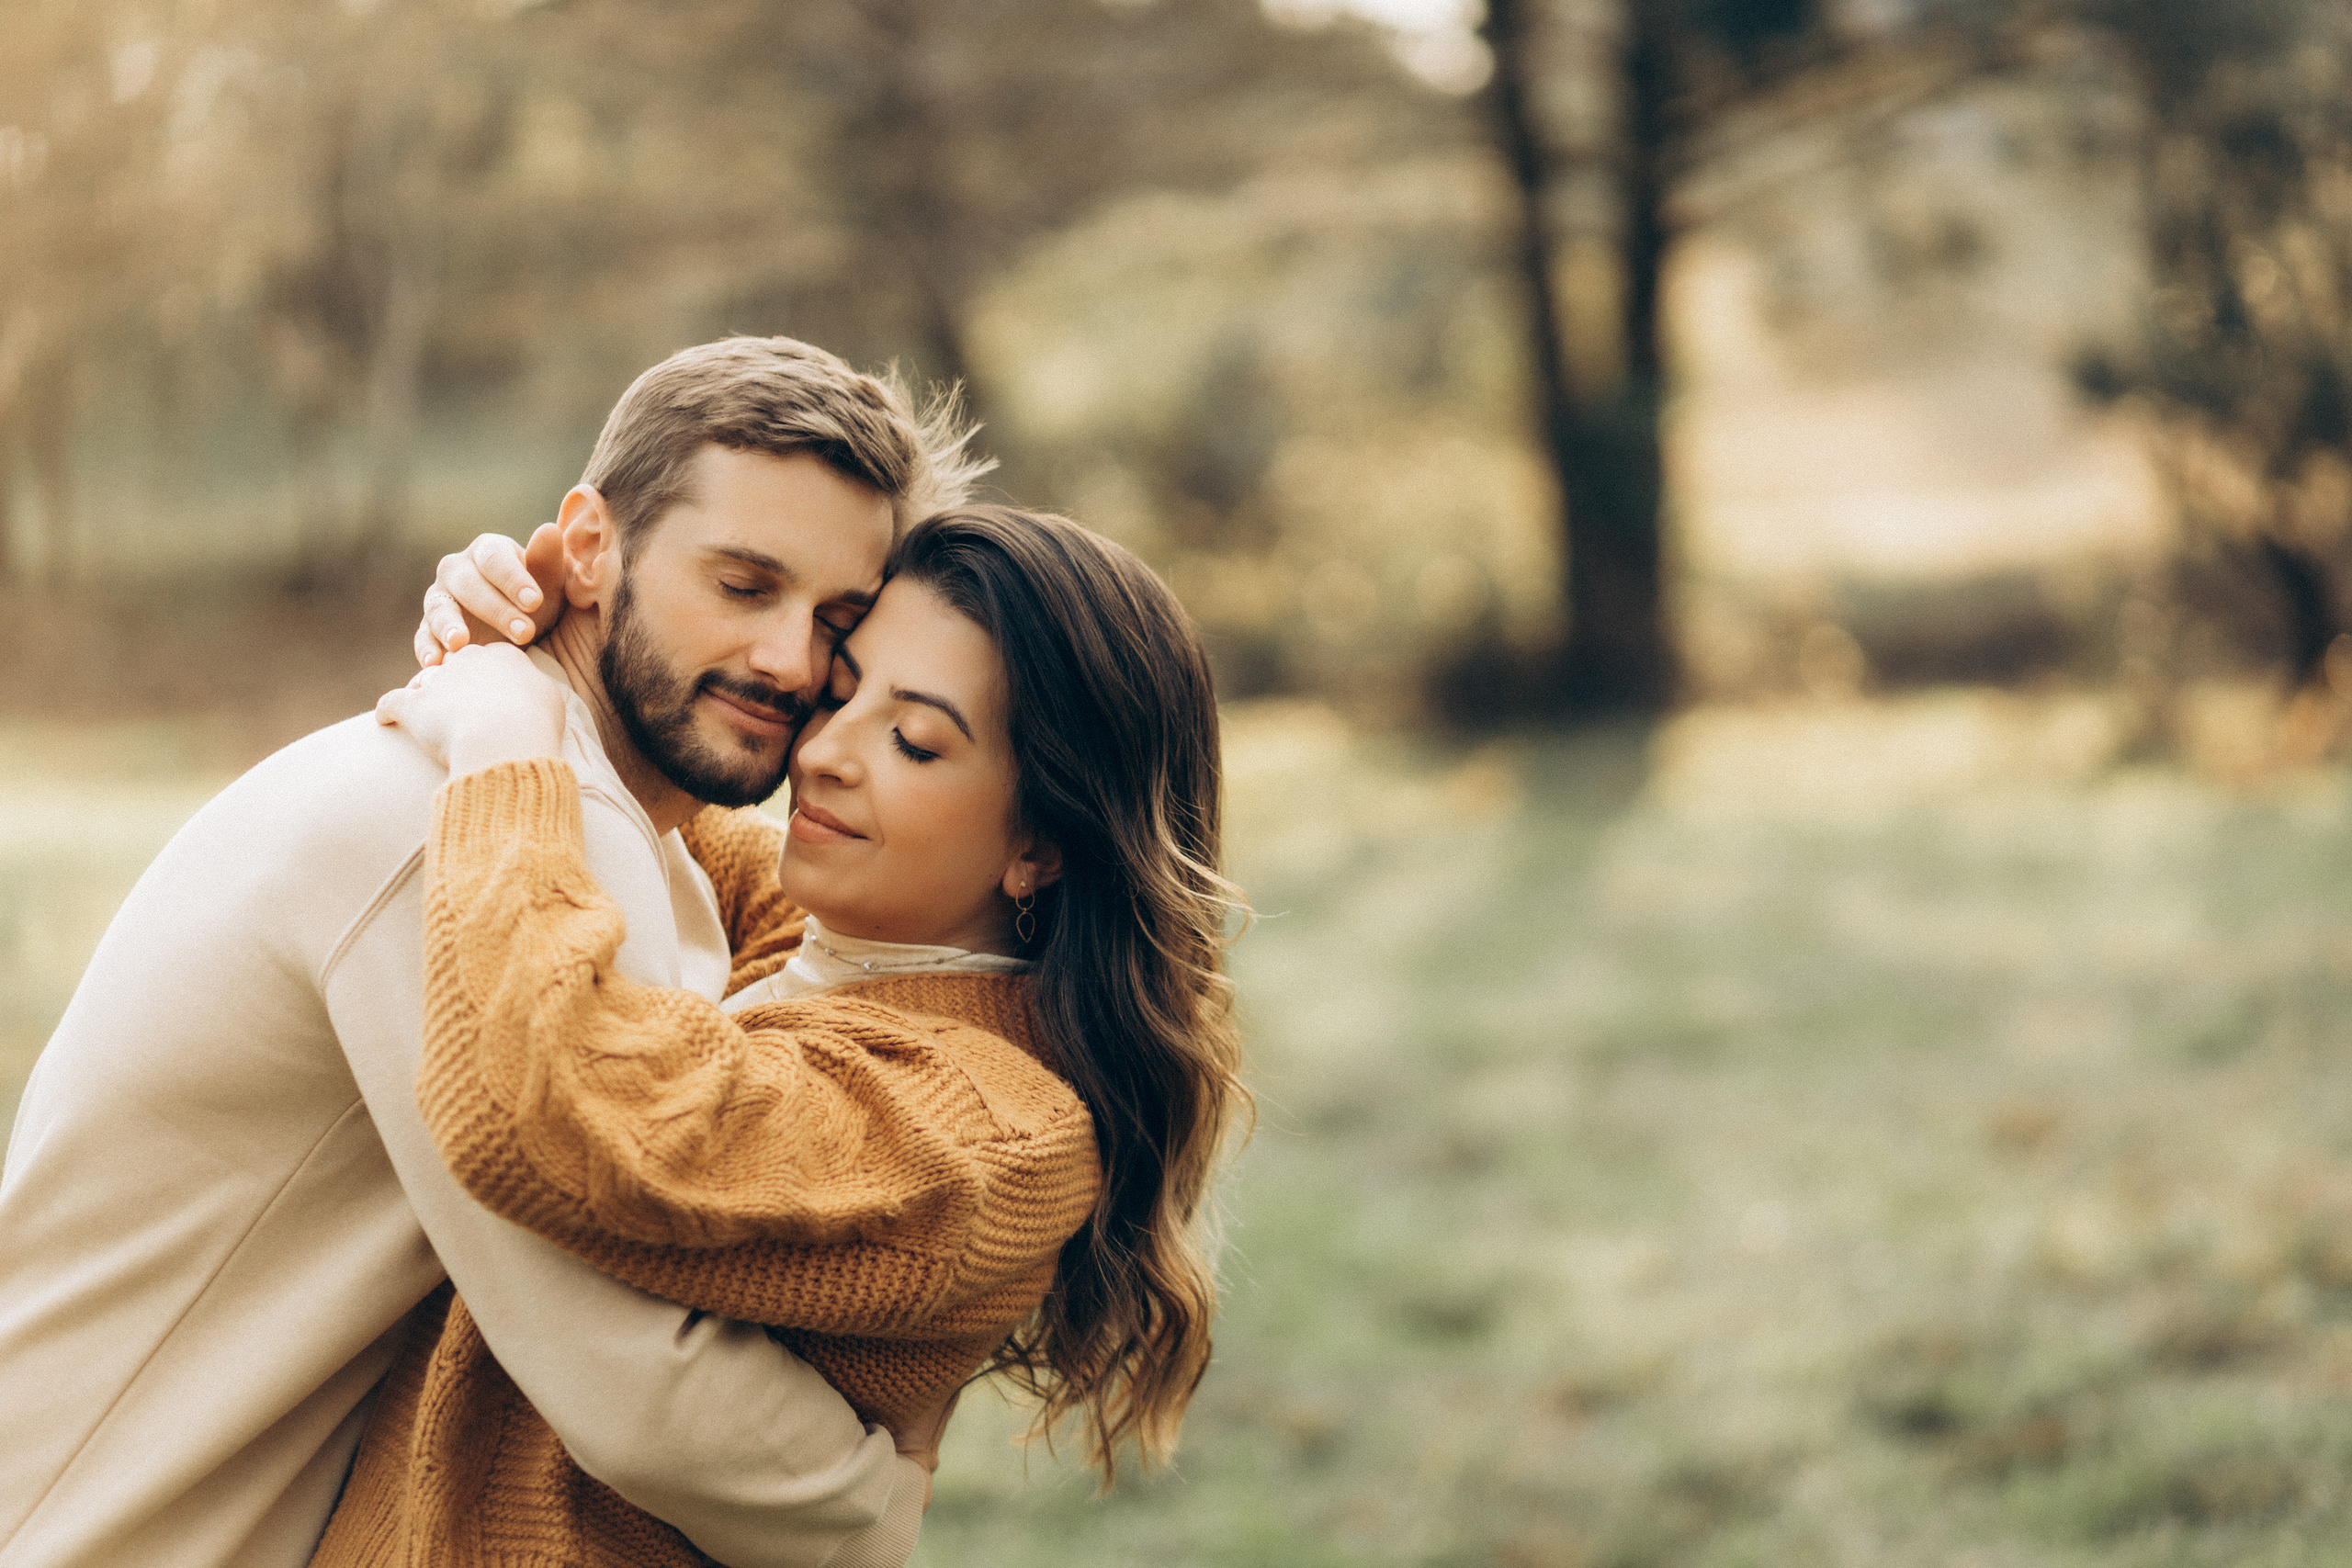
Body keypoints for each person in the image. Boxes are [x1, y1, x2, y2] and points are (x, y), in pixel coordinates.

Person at [0, 336, 981, 1568]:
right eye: (742, 584)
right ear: (587, 547)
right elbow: (634, 1375)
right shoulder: (476, 827)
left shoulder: (600, 826)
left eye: (837, 620)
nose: (790, 659)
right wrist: (879, 1499)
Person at [319, 507, 1247, 1563]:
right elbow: (653, 783)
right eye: (840, 693)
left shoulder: (991, 1134)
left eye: (914, 739)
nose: (824, 754)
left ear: (1039, 846)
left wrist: (501, 744)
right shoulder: (830, 931)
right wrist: (538, 629)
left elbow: (546, 1101)